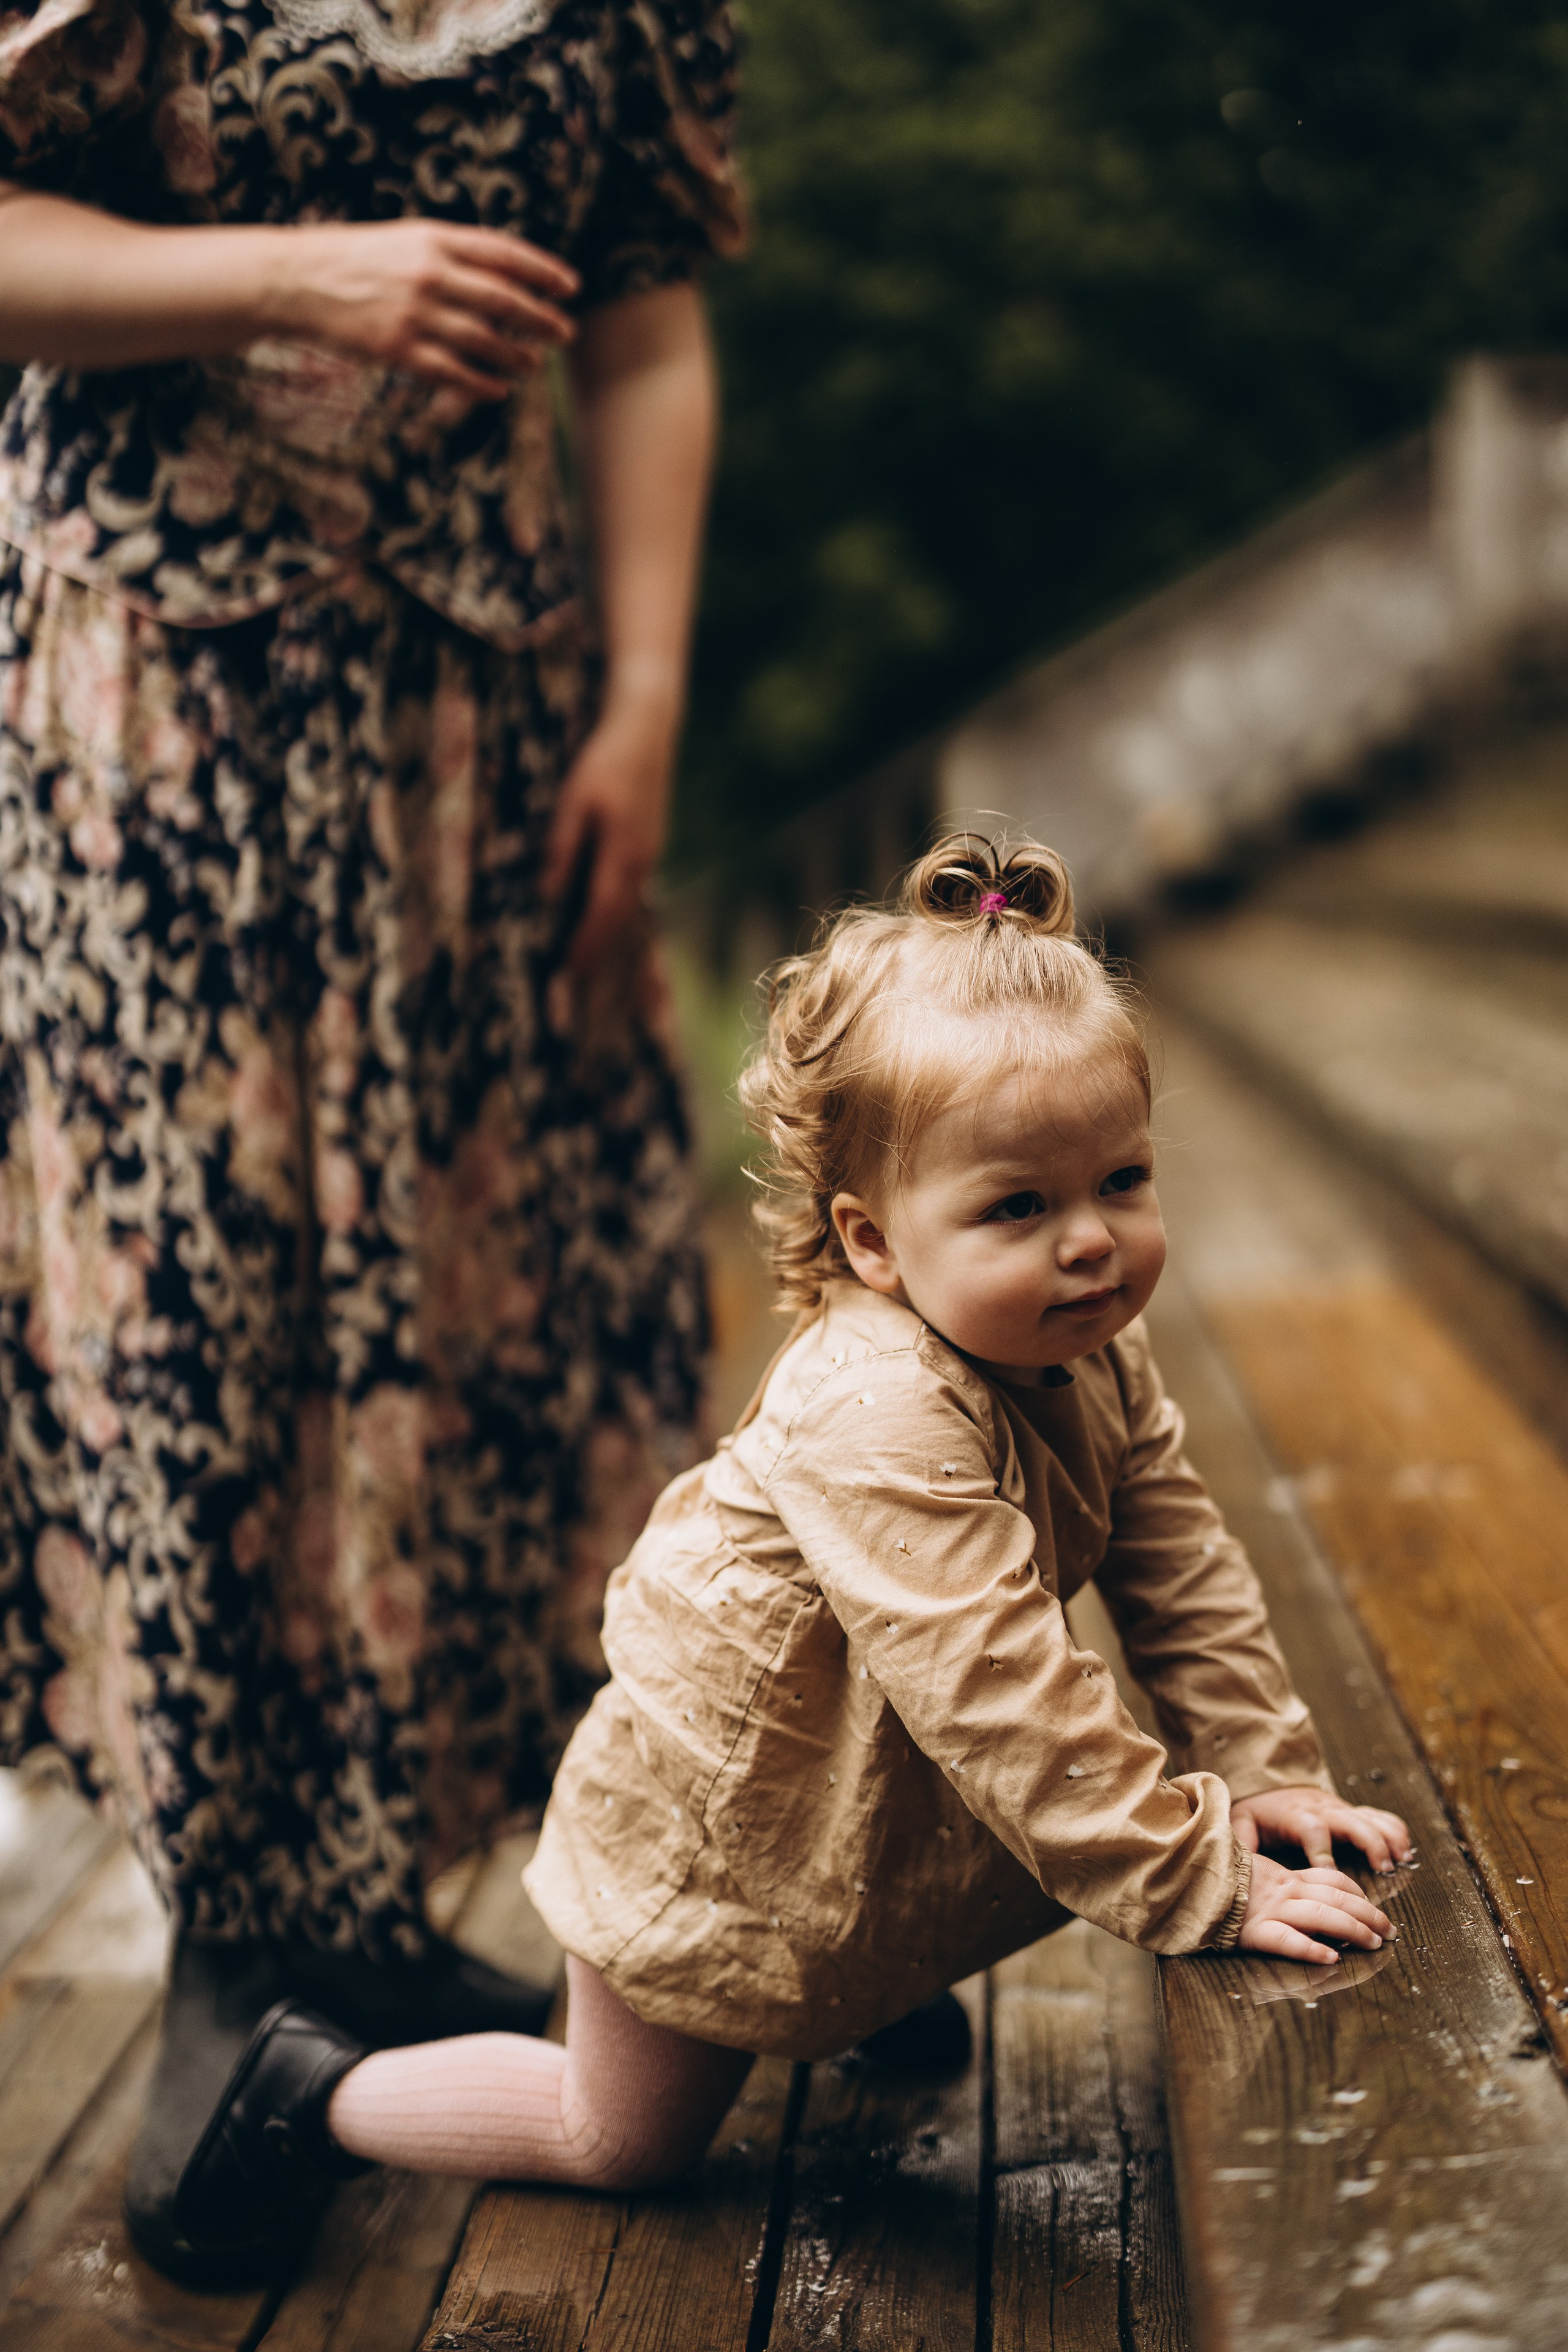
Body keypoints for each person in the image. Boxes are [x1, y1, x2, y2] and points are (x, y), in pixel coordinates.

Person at [162, 833, 1413, 2267]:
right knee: (616, 2139)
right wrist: (1202, 1873)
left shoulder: (1091, 1352)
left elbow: (1177, 1563)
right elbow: (1001, 1690)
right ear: (870, 1243)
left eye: (1119, 1180)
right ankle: (308, 2094)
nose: (1090, 1244)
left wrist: (1258, 1768)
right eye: (1018, 1206)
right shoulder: (876, 1413)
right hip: (727, 1816)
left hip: (873, 1790)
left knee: (936, 1853)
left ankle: (859, 1981)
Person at [0, 0, 743, 2284]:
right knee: (205, 1306)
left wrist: (637, 691)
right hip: (156, 701)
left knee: (510, 1267)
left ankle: (508, 1911)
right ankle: (241, 1942)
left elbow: (642, 331)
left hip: (482, 705)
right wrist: (295, 275)